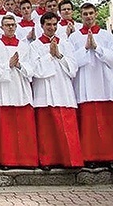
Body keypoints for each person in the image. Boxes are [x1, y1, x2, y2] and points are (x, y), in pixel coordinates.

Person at [68, 3, 113, 170]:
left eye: (90, 13)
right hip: (86, 85)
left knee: (110, 125)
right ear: (81, 16)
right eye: (85, 14)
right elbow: (72, 63)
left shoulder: (106, 36)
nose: (88, 17)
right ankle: (90, 157)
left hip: (106, 86)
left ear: (95, 14)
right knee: (89, 126)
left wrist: (97, 47)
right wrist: (86, 49)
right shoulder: (73, 38)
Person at [30, 12, 83, 169]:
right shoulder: (35, 45)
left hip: (63, 89)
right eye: (48, 25)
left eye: (54, 24)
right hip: (45, 91)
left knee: (67, 127)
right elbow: (35, 69)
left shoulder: (65, 44)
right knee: (46, 130)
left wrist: (58, 55)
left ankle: (71, 160)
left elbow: (73, 68)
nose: (52, 28)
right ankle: (47, 160)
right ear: (42, 26)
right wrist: (49, 56)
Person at [0, 15, 38, 169]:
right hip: (3, 90)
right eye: (7, 25)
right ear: (1, 27)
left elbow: (32, 67)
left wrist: (20, 66)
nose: (10, 27)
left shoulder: (24, 46)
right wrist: (8, 65)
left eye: (12, 25)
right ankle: (6, 160)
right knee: (6, 128)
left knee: (24, 128)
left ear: (16, 27)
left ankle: (27, 159)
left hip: (20, 88)